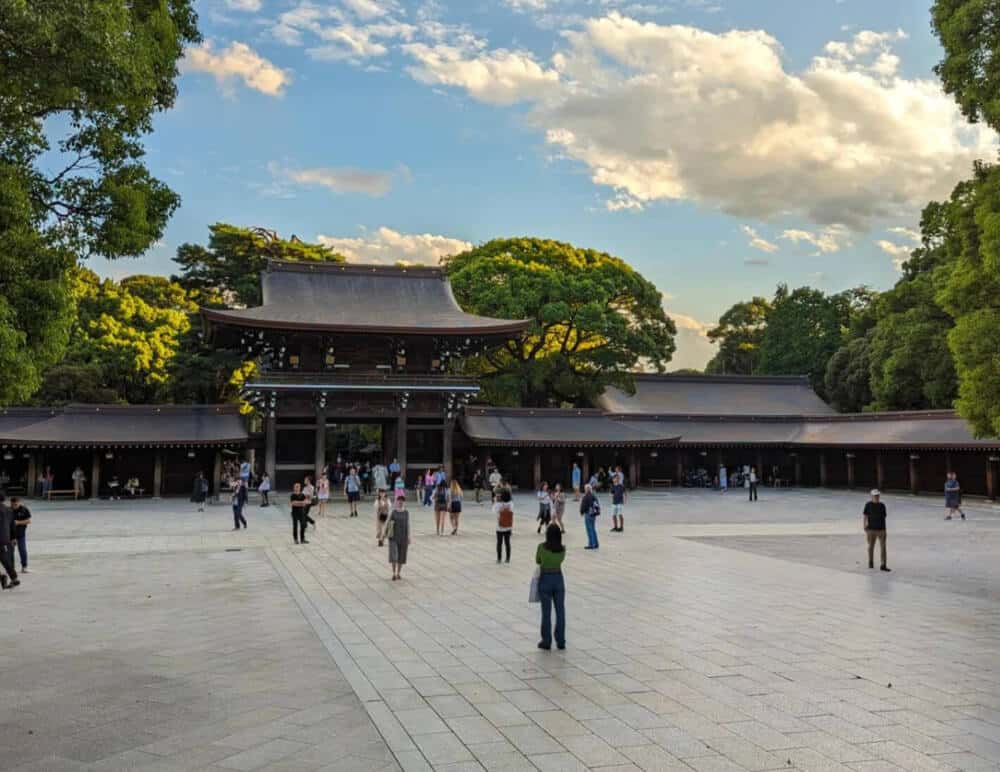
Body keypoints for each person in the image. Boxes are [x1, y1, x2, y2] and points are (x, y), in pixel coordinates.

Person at [536, 523, 567, 650]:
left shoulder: (541, 547)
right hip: (558, 578)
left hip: (545, 578)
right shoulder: (562, 549)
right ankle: (560, 640)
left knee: (546, 612)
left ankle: (546, 640)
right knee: (560, 611)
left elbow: (538, 560)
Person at [863, 489, 890, 572]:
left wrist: (884, 530)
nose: (877, 497)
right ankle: (870, 562)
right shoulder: (868, 505)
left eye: (878, 496)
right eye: (875, 496)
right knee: (871, 546)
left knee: (883, 547)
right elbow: (865, 515)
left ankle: (883, 565)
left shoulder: (882, 505)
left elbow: (884, 516)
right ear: (871, 496)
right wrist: (864, 525)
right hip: (871, 529)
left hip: (881, 529)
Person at [387, 494, 410, 581]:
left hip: (403, 537)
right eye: (399, 500)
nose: (400, 502)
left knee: (401, 556)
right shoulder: (393, 512)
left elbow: (408, 525)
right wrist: (383, 535)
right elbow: (387, 523)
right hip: (393, 537)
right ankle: (393, 573)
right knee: (394, 556)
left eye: (402, 500)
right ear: (396, 502)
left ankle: (399, 573)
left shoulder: (406, 512)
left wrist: (409, 536)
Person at [0, 495, 19, 589]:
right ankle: (14, 577)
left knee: (4, 558)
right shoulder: (9, 510)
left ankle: (2, 577)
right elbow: (13, 525)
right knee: (4, 558)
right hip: (5, 538)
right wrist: (13, 537)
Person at [10, 496, 30, 574]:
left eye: (16, 504)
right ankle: (11, 567)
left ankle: (24, 566)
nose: (14, 506)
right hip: (10, 535)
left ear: (19, 502)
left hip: (21, 534)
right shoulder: (8, 510)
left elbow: (28, 521)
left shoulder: (24, 510)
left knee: (22, 550)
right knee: (10, 551)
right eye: (13, 505)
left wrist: (18, 522)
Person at [494, 487, 514, 563]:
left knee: (499, 543)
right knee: (507, 543)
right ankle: (508, 558)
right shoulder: (511, 504)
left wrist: (496, 501)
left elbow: (494, 511)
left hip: (499, 527)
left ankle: (499, 558)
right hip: (508, 526)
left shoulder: (498, 504)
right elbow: (511, 511)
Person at [580, 483, 600, 550]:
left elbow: (583, 506)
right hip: (593, 514)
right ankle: (596, 543)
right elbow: (597, 505)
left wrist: (581, 512)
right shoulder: (594, 496)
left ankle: (591, 544)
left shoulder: (585, 496)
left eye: (585, 488)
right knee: (593, 529)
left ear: (586, 489)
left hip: (588, 514)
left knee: (589, 529)